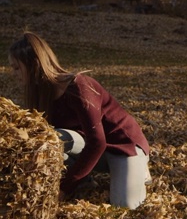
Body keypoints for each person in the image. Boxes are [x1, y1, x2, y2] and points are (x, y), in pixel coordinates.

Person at [8, 31, 151, 209]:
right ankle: (85, 181)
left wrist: (65, 188)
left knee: (125, 205)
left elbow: (97, 142)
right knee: (49, 138)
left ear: (33, 65)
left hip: (124, 146)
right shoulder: (41, 93)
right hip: (95, 147)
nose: (13, 73)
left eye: (16, 67)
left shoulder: (78, 86)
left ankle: (141, 166)